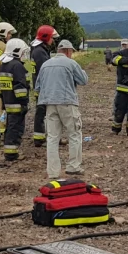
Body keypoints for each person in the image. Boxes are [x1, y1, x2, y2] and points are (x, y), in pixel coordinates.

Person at [36, 39, 89, 178]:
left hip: (49, 104)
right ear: (68, 51)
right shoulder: (71, 63)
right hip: (67, 102)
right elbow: (83, 80)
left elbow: (38, 86)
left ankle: (52, 172)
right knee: (74, 134)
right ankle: (73, 166)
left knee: (52, 138)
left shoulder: (45, 65)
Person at [0, 38, 31, 161]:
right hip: (17, 104)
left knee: (10, 127)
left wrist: (4, 101)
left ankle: (9, 151)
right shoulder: (17, 66)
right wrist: (24, 103)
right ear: (17, 51)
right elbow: (20, 86)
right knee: (16, 128)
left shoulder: (3, 66)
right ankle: (11, 153)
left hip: (7, 102)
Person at [29, 25, 58, 147]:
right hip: (43, 87)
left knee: (42, 112)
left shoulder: (39, 49)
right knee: (42, 112)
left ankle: (41, 137)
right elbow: (45, 70)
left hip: (40, 85)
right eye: (52, 37)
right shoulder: (40, 52)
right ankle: (39, 139)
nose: (53, 40)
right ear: (46, 37)